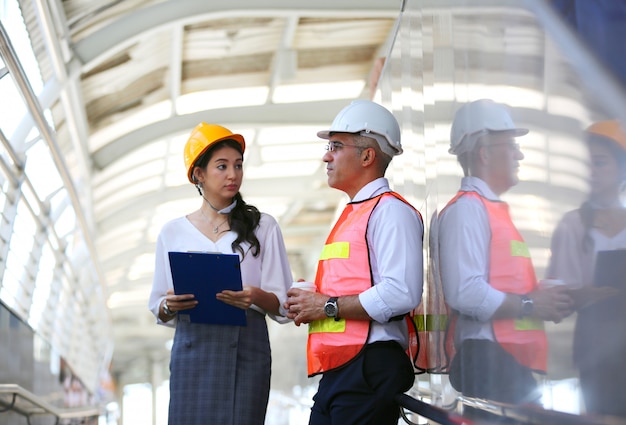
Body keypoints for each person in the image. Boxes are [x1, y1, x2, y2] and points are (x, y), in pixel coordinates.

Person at [284, 100, 424, 425]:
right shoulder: (355, 213)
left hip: (370, 366)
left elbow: (401, 293)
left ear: (367, 156)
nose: (326, 155)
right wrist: (309, 299)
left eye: (335, 146)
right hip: (343, 369)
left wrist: (326, 306)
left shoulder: (390, 211)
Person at [148, 122, 293, 425]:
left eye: (238, 166)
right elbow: (158, 305)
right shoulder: (172, 232)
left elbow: (283, 304)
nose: (233, 175)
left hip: (247, 347)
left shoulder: (263, 226)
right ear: (198, 174)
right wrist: (168, 305)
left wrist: (256, 296)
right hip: (192, 349)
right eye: (222, 166)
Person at [438, 99, 574, 419]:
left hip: (506, 364)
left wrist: (548, 299)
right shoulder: (467, 210)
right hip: (490, 363)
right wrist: (530, 304)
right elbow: (465, 292)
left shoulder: (490, 210)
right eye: (512, 145)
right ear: (485, 153)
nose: (520, 154)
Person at [546, 120, 626, 418]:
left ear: (621, 168)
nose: (591, 170)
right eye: (586, 163)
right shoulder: (572, 225)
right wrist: (586, 294)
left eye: (600, 163)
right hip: (596, 352)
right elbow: (557, 297)